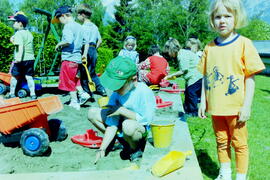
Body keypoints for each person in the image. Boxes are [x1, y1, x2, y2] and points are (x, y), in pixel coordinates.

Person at [197, 0, 265, 180]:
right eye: (218, 16)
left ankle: (241, 177)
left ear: (236, 18)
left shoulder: (244, 44)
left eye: (227, 16)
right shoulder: (209, 47)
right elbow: (205, 76)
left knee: (239, 144)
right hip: (216, 108)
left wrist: (247, 106)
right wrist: (203, 101)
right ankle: (225, 174)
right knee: (221, 142)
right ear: (212, 20)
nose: (222, 20)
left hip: (236, 109)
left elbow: (250, 78)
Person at [87, 56, 156, 164]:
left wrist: (122, 111)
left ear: (133, 79)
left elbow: (147, 120)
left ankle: (135, 149)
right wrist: (102, 148)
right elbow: (112, 123)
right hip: (122, 124)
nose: (115, 89)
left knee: (128, 126)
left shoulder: (144, 92)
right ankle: (117, 140)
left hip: (140, 129)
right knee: (92, 113)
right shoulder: (116, 93)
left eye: (119, 86)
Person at [52, 5, 88, 110]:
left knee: (68, 81)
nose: (59, 22)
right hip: (77, 58)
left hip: (69, 58)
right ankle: (83, 93)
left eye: (59, 19)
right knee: (75, 79)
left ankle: (74, 101)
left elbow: (68, 40)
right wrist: (84, 54)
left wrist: (59, 44)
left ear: (63, 16)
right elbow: (85, 42)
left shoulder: (68, 26)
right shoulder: (79, 27)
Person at [164, 38, 203, 117]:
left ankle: (193, 112)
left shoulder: (182, 55)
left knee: (191, 94)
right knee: (188, 93)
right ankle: (188, 110)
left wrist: (170, 76)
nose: (168, 55)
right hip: (196, 76)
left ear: (171, 50)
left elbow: (183, 70)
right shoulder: (182, 53)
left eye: (168, 52)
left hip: (197, 76)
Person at [76, 3, 107, 100]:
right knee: (92, 72)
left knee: (84, 73)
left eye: (78, 15)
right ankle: (101, 89)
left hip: (86, 49)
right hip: (93, 49)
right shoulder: (95, 27)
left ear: (83, 15)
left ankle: (87, 93)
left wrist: (84, 52)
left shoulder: (82, 27)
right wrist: (94, 50)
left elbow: (84, 42)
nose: (77, 17)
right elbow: (100, 41)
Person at [6, 14, 37, 100]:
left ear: (20, 23)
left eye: (14, 22)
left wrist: (18, 58)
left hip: (21, 59)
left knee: (14, 76)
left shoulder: (18, 33)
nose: (13, 24)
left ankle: (12, 93)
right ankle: (33, 94)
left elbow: (20, 46)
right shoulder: (29, 33)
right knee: (29, 77)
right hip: (30, 58)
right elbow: (27, 45)